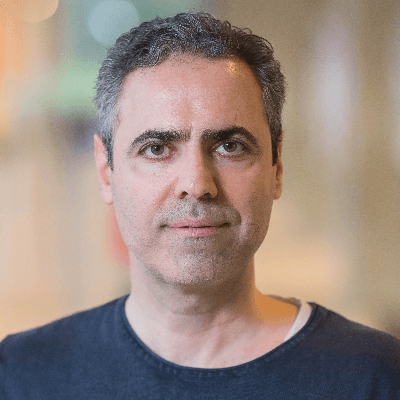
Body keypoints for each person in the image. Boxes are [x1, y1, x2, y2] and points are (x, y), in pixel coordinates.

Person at [1, 12, 399, 399]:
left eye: (230, 146)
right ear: (106, 171)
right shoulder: (21, 377)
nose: (196, 185)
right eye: (156, 148)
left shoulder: (376, 377)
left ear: (276, 167)